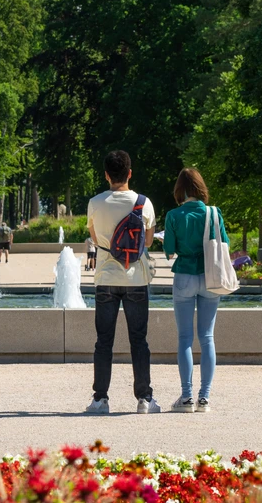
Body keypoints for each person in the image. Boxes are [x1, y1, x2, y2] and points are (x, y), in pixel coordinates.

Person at [84, 150, 160, 415]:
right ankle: (144, 399)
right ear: (129, 173)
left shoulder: (95, 203)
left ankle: (100, 399)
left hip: (105, 278)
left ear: (106, 175)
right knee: (139, 340)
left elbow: (94, 239)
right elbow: (148, 242)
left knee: (103, 341)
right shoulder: (144, 202)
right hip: (135, 278)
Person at [162, 168, 228, 413]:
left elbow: (169, 250)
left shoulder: (174, 215)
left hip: (185, 277)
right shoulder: (213, 213)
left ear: (180, 189)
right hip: (211, 277)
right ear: (200, 187)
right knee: (207, 337)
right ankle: (205, 398)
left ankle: (187, 397)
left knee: (185, 339)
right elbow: (224, 244)